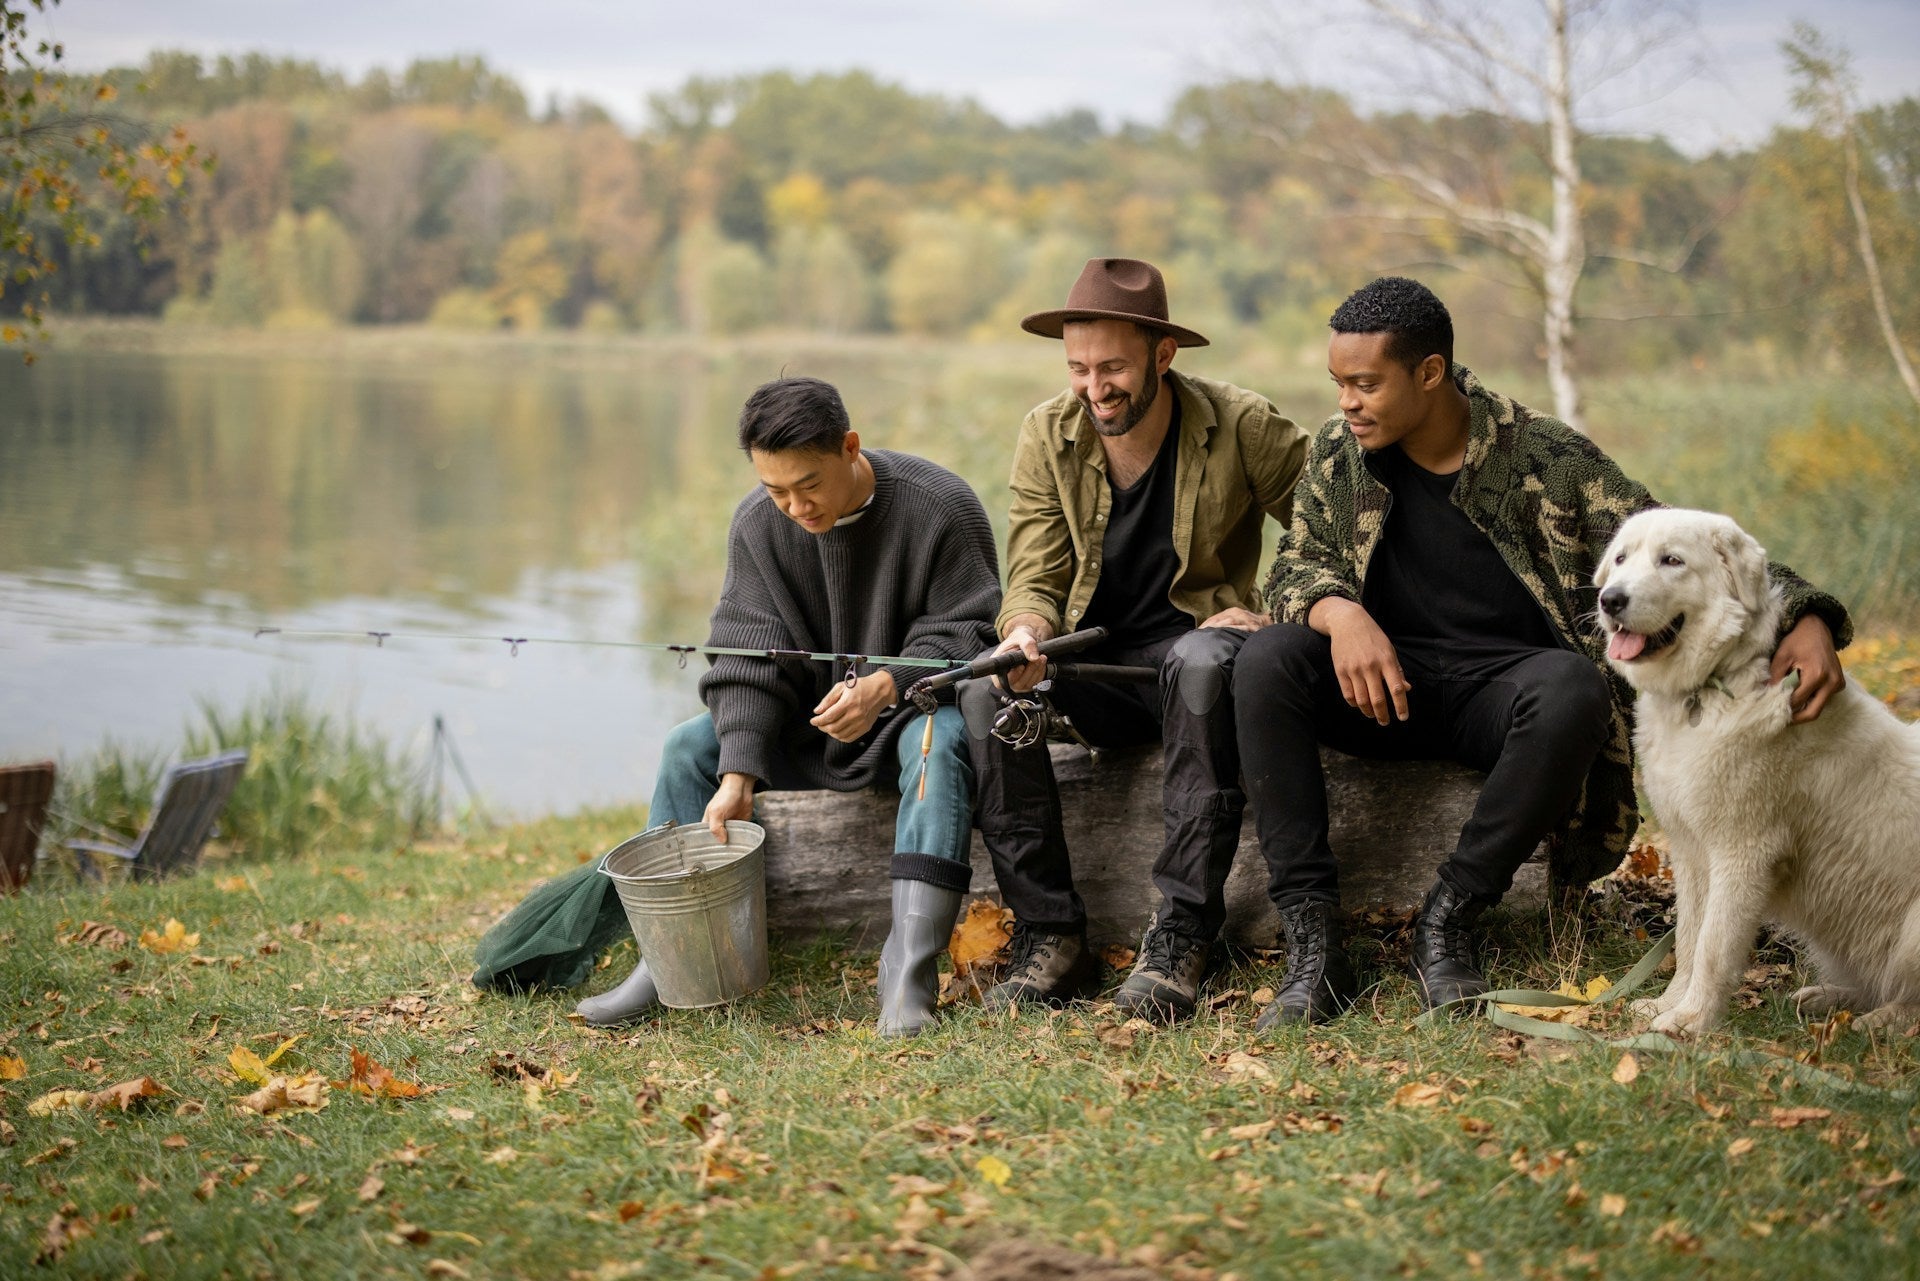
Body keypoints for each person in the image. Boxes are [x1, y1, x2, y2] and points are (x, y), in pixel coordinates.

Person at [1236, 276, 1852, 1026]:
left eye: (1365, 384)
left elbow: (1672, 533)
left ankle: (1448, 921)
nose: (1346, 403)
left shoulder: (1543, 456)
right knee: (1266, 659)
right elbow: (1295, 565)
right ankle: (1313, 942)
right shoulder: (1340, 454)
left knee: (1572, 686)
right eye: (1339, 384)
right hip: (1380, 688)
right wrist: (1340, 615)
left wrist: (1806, 614)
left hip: (1500, 700)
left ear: (1429, 372)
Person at [578, 376, 1002, 1038]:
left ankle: (908, 976)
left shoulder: (941, 505)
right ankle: (667, 963)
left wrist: (886, 684)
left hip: (906, 718)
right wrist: (738, 772)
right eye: (776, 490)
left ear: (850, 447)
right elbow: (746, 656)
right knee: (687, 747)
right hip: (804, 728)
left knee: (938, 741)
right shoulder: (758, 523)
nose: (795, 506)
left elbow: (971, 632)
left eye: (809, 485)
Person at [960, 257, 1309, 1022]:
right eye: (1079, 368)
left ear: (1163, 354)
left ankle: (1182, 934)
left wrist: (1281, 613)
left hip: (1201, 664)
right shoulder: (1047, 432)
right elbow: (1034, 573)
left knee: (1200, 661)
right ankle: (1051, 934)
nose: (1095, 387)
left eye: (1113, 367)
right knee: (986, 691)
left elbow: (1335, 529)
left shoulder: (1243, 424)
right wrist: (1025, 634)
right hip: (1094, 670)